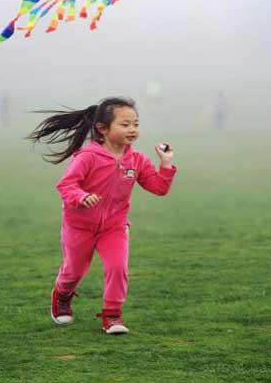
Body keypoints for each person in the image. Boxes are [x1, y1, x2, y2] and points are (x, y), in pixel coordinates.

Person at [28, 96, 177, 335]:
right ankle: (62, 295)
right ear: (102, 129)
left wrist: (166, 164)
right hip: (79, 226)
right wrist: (81, 197)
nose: (133, 129)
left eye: (136, 124)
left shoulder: (136, 160)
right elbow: (66, 185)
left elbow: (159, 188)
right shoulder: (87, 157)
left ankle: (112, 316)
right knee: (73, 271)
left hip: (114, 226)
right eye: (125, 124)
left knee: (118, 267)